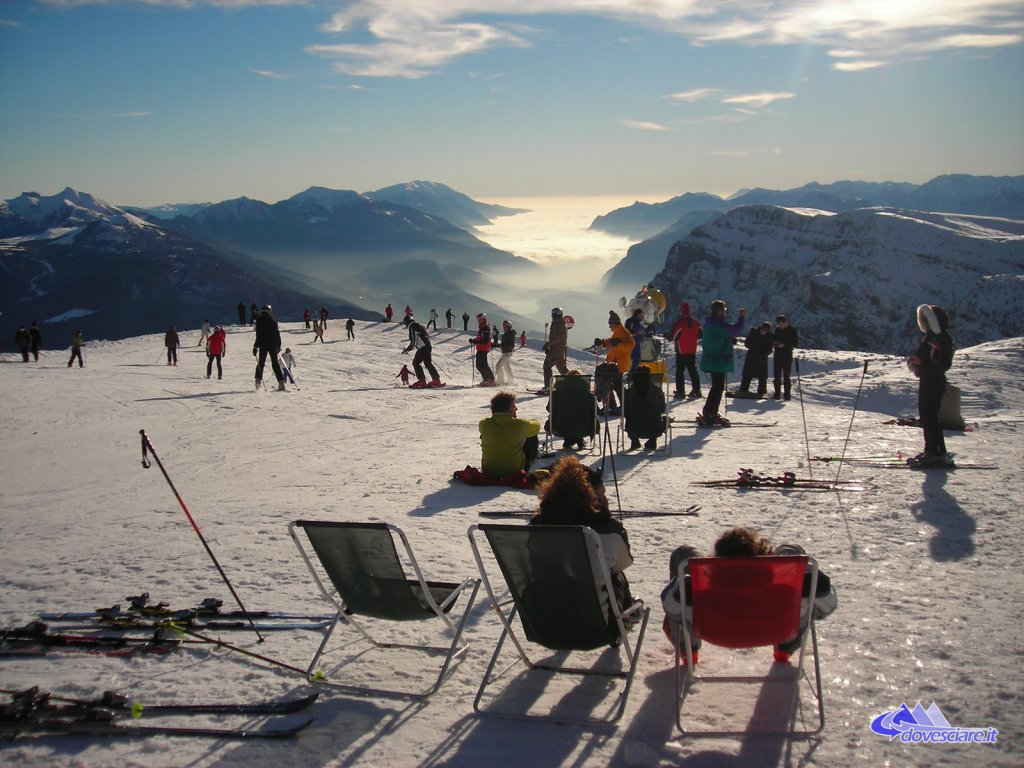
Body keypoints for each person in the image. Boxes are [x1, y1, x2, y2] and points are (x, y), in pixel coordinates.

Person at [661, 527, 837, 664]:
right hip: (778, 631)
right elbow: (827, 605)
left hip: (715, 632)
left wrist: (684, 585)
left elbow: (670, 605)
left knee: (684, 555)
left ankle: (687, 647)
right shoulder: (788, 591)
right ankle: (786, 646)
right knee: (792, 552)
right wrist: (814, 586)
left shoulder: (698, 592)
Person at [529, 456, 635, 636]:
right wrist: (605, 514)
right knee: (615, 575)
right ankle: (623, 624)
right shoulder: (606, 531)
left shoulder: (537, 529)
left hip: (545, 623)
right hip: (598, 626)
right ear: (593, 496)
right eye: (601, 493)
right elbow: (624, 562)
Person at [907, 304, 956, 468]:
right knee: (927, 417)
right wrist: (916, 364)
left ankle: (937, 453)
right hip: (928, 381)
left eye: (926, 320)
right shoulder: (930, 337)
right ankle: (932, 451)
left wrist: (922, 363)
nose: (924, 323)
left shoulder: (942, 338)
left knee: (930, 418)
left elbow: (943, 364)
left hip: (934, 382)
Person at [699, 300, 746, 426]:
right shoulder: (719, 325)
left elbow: (718, 338)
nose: (725, 312)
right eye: (724, 310)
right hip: (718, 360)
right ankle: (711, 413)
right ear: (719, 311)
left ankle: (708, 411)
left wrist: (727, 339)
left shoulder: (710, 324)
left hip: (712, 359)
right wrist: (742, 317)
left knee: (716, 387)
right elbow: (736, 330)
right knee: (718, 387)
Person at [479, 391, 540, 478]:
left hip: (488, 470)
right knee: (531, 434)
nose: (516, 408)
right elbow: (537, 425)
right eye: (513, 406)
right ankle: (527, 464)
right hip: (514, 471)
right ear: (506, 408)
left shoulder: (483, 423)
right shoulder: (520, 424)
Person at [594, 310, 634, 413]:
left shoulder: (623, 332)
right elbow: (612, 342)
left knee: (614, 385)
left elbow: (630, 345)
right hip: (615, 364)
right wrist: (603, 342)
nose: (609, 326)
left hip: (619, 364)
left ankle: (619, 406)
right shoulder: (618, 331)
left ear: (614, 323)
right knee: (611, 384)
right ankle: (615, 406)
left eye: (610, 324)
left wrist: (618, 345)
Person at [625, 366, 666, 450]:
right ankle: (652, 440)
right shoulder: (657, 390)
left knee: (630, 416)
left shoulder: (629, 392)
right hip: (654, 428)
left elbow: (625, 411)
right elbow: (662, 409)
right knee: (657, 417)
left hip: (633, 428)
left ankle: (635, 441)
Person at [669, 302, 702, 399]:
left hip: (681, 351)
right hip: (692, 351)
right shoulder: (697, 323)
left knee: (680, 371)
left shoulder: (680, 324)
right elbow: (701, 335)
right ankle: (696, 390)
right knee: (693, 371)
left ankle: (680, 391)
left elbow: (673, 336)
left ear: (682, 313)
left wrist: (667, 335)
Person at [253, 305, 286, 391]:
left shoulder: (259, 320)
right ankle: (281, 382)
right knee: (275, 363)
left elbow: (258, 335)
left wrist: (255, 346)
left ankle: (258, 381)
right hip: (272, 344)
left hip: (263, 344)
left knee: (261, 363)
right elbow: (277, 334)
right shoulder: (273, 320)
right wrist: (278, 346)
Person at [403, 318, 443, 388]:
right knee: (428, 363)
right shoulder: (420, 327)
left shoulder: (412, 327)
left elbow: (413, 342)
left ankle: (422, 381)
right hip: (428, 346)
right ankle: (436, 380)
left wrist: (407, 350)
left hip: (423, 348)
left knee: (416, 362)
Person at [739, 322, 773, 396]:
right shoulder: (754, 332)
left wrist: (763, 354)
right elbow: (747, 343)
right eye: (763, 329)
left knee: (762, 377)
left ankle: (762, 392)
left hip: (762, 358)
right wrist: (754, 349)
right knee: (747, 375)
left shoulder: (770, 336)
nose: (764, 331)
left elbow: (769, 349)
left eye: (766, 330)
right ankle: (743, 390)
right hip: (751, 356)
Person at [541, 307, 570, 394]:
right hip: (557, 350)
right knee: (562, 369)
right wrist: (549, 347)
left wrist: (549, 344)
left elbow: (559, 338)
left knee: (547, 365)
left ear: (558, 315)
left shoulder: (560, 324)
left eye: (554, 314)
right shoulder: (556, 323)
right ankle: (573, 382)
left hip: (557, 350)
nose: (552, 316)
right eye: (552, 314)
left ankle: (548, 387)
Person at [772, 315, 798, 400]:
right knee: (777, 376)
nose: (780, 325)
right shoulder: (777, 330)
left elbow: (795, 343)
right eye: (779, 324)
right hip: (777, 355)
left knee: (786, 377)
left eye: (782, 323)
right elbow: (774, 339)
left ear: (786, 322)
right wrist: (776, 342)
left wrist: (784, 345)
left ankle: (787, 395)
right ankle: (777, 394)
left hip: (787, 356)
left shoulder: (792, 330)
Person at [469, 313, 496, 386]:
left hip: (483, 348)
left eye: (480, 320)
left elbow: (485, 340)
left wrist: (475, 341)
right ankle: (487, 379)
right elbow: (480, 338)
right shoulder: (482, 328)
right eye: (478, 320)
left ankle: (491, 380)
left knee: (482, 365)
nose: (479, 321)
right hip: (481, 348)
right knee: (481, 365)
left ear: (483, 319)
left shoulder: (485, 328)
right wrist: (474, 340)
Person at [495, 320, 517, 386]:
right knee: (506, 366)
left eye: (505, 326)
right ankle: (511, 381)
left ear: (509, 326)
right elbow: (504, 344)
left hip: (507, 353)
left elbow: (511, 345)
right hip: (506, 352)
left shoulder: (509, 334)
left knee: (498, 365)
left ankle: (501, 381)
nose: (504, 327)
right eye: (503, 326)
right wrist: (498, 345)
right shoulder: (507, 333)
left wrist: (502, 346)